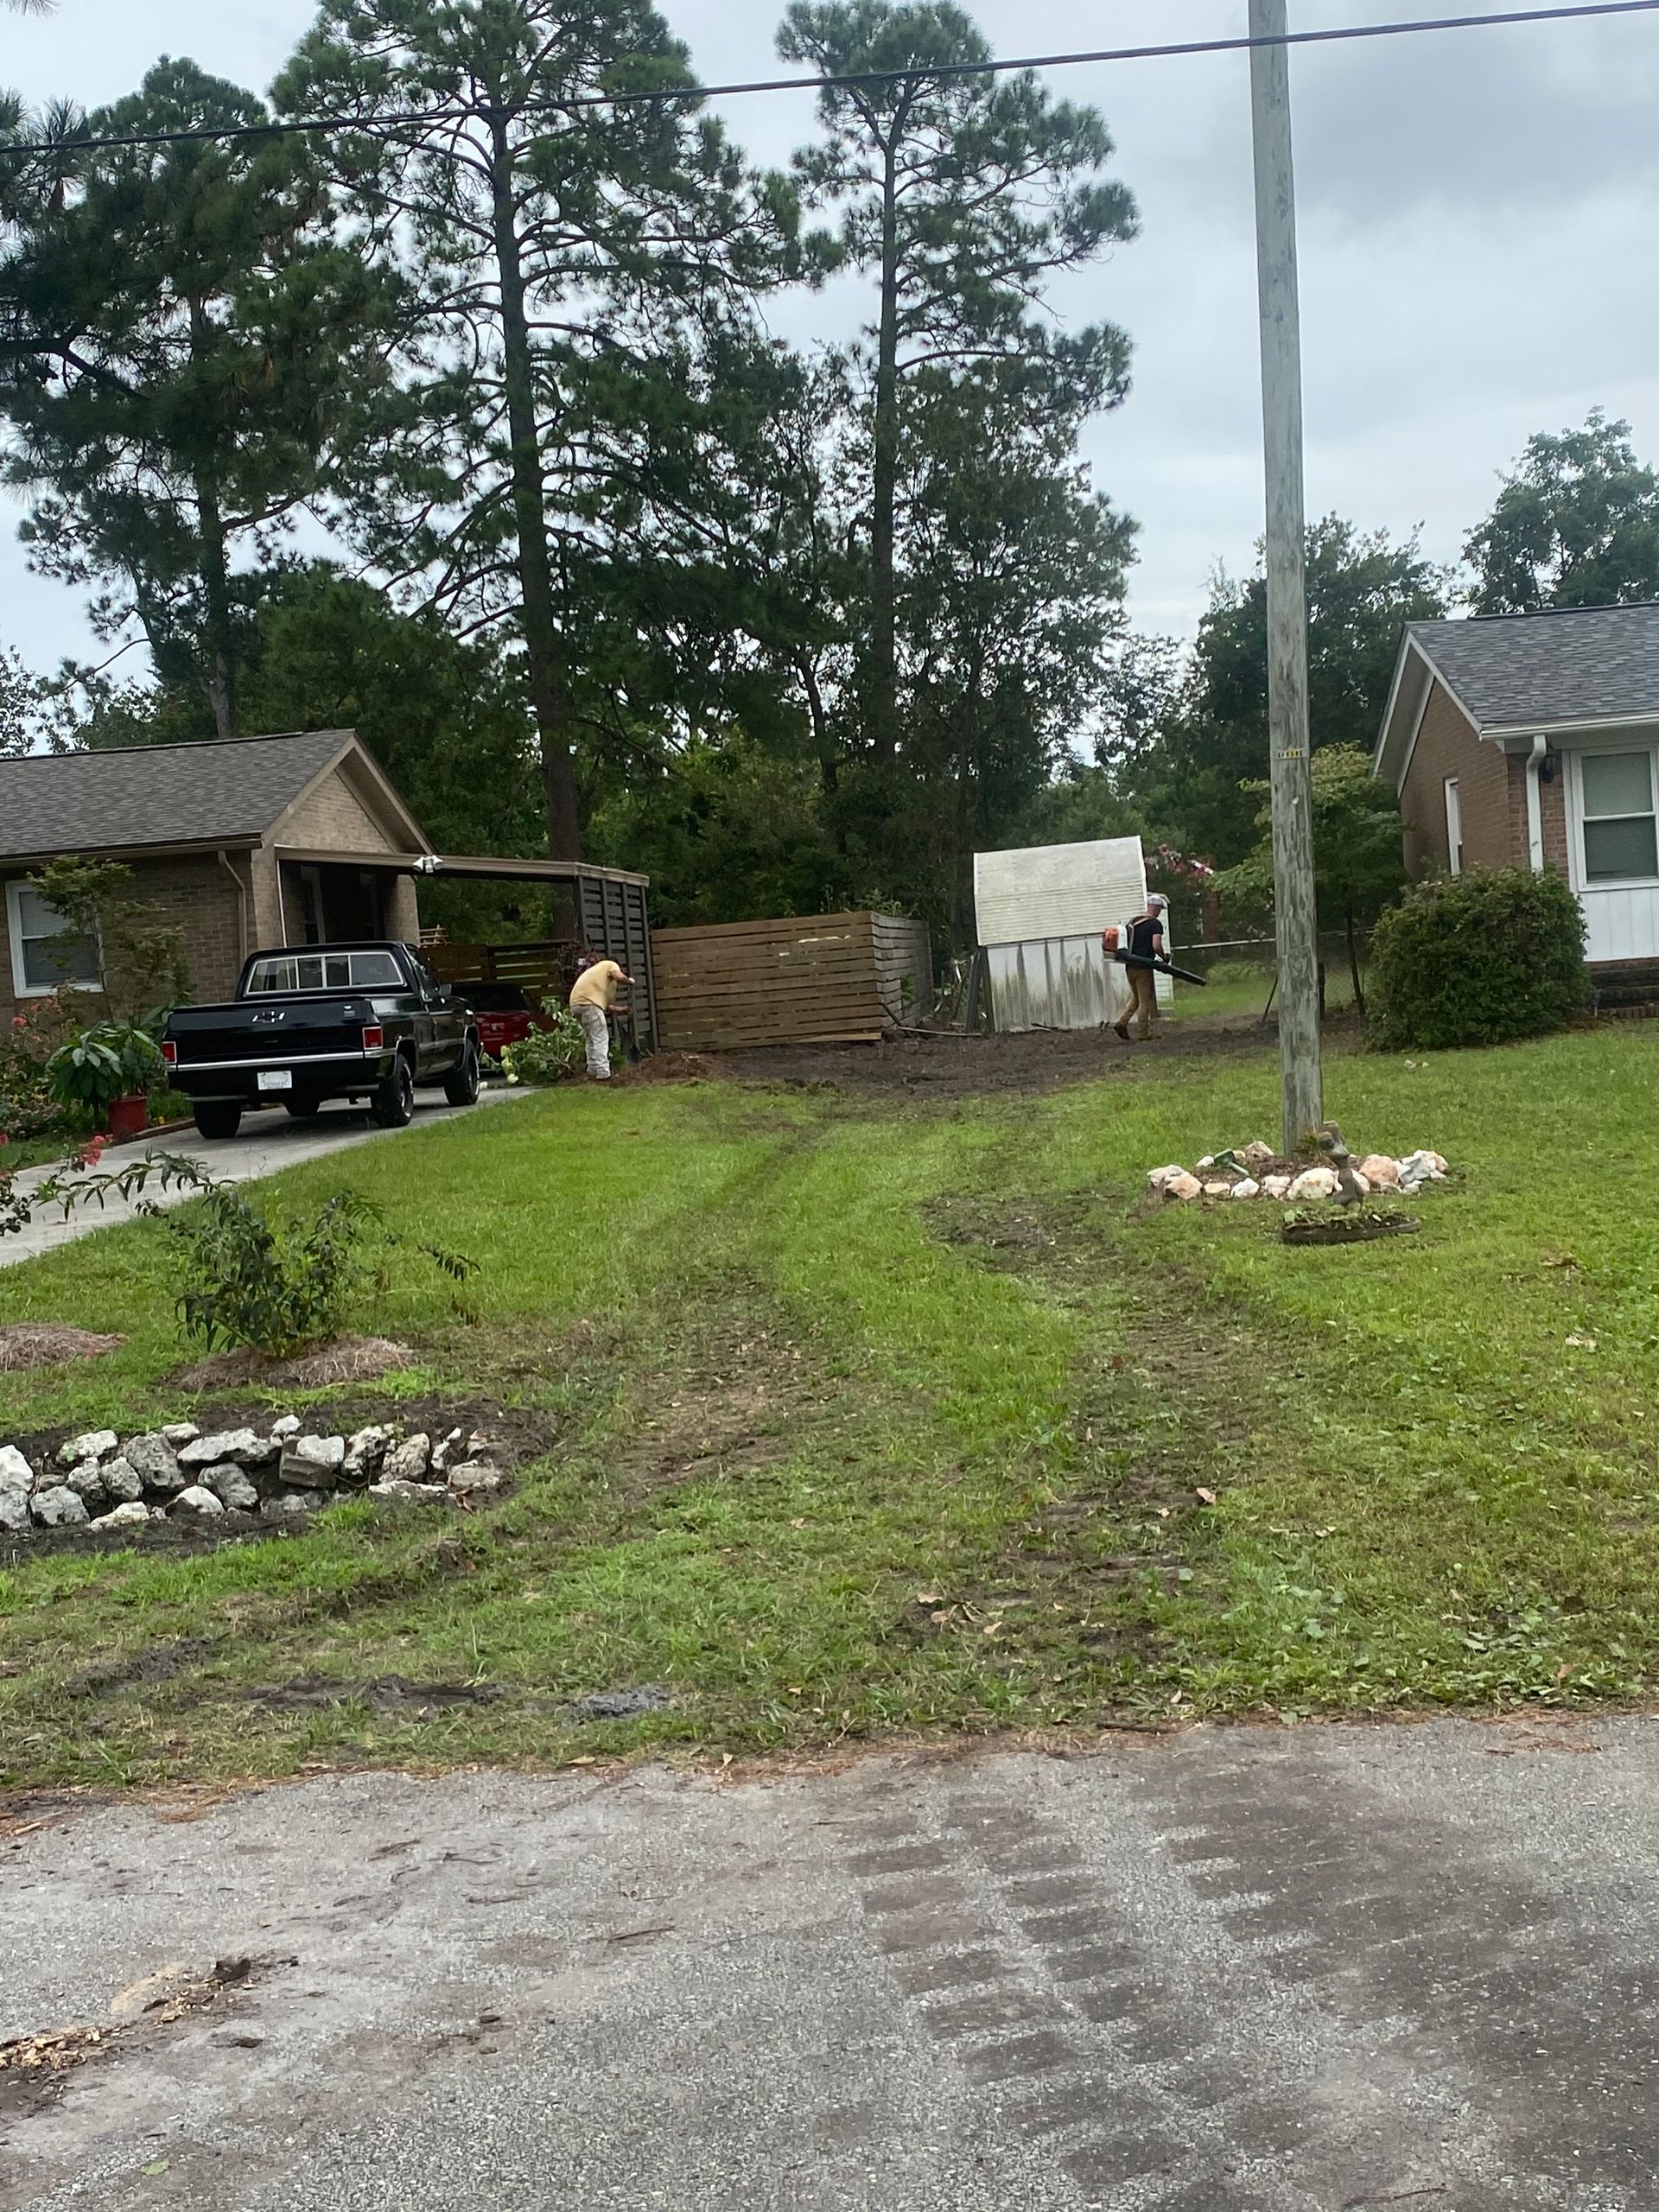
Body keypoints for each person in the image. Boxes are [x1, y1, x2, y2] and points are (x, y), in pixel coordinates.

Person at [567, 955, 632, 1081]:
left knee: (591, 1038)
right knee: (600, 1037)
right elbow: (618, 976)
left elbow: (606, 1007)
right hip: (589, 1004)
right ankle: (603, 1072)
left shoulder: (597, 975)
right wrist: (630, 982)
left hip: (576, 1004)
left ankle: (592, 1070)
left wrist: (623, 1010)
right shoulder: (609, 964)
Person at [1114, 893, 1168, 1042]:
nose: (1159, 912)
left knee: (1136, 998)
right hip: (1144, 967)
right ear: (1156, 908)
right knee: (1145, 1001)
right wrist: (1164, 958)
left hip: (1129, 966)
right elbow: (1156, 946)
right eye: (1160, 909)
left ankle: (1122, 1023)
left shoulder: (1132, 923)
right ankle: (1144, 1034)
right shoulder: (1154, 924)